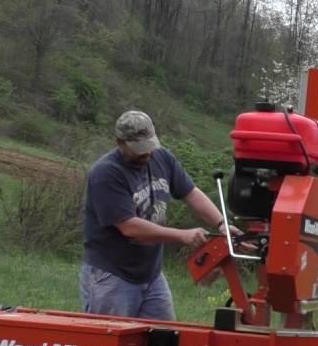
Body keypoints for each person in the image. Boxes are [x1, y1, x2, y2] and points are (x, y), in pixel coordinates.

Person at [80, 110, 225, 321]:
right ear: (120, 143)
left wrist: (221, 223)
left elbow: (191, 193)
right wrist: (181, 235)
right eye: (139, 149)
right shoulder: (106, 173)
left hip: (151, 275)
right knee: (113, 343)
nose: (147, 154)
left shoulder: (163, 158)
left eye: (150, 146)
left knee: (163, 340)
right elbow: (130, 227)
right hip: (112, 274)